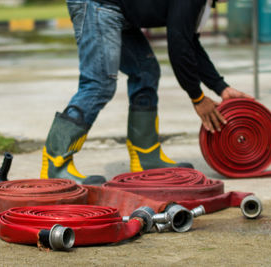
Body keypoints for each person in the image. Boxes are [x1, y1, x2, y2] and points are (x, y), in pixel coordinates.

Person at [40, 0, 252, 185]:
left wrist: (221, 87)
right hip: (99, 4)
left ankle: (145, 156)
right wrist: (197, 97)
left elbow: (188, 42)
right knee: (99, 84)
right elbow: (179, 46)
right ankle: (55, 164)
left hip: (119, 9)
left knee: (145, 71)